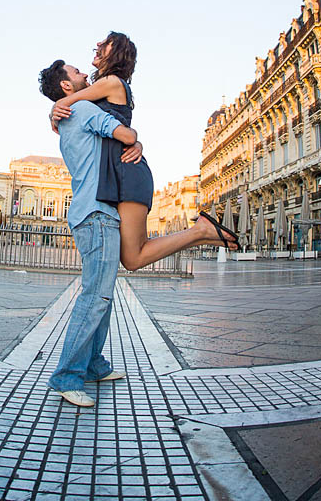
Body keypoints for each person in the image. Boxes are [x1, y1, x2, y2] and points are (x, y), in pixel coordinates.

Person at [39, 59, 236, 408]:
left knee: (102, 295)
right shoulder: (82, 108)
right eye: (76, 72)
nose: (84, 72)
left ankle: (94, 364)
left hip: (90, 213)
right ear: (68, 87)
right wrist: (136, 141)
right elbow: (125, 135)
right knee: (95, 297)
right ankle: (67, 375)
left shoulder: (66, 119)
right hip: (97, 214)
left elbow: (111, 146)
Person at [51, 33, 239, 271]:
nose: (97, 45)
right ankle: (203, 233)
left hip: (128, 173)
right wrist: (135, 141)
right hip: (122, 172)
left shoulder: (110, 81)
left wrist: (53, 111)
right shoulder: (105, 87)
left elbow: (67, 103)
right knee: (131, 258)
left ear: (116, 52)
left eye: (105, 43)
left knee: (134, 258)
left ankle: (200, 231)